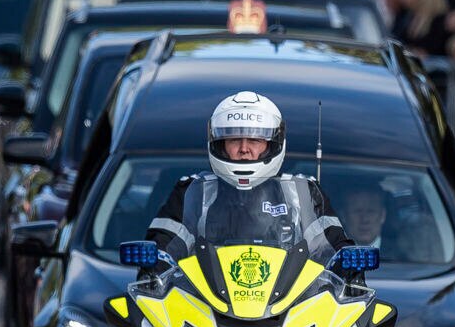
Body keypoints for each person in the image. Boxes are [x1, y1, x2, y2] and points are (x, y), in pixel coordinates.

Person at [146, 92, 348, 266]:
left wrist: (345, 264)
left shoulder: (302, 192)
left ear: (271, 144)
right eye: (234, 139)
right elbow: (163, 247)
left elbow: (334, 250)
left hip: (290, 305)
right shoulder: (194, 191)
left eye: (255, 139)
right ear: (219, 143)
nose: (244, 149)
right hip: (204, 303)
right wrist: (157, 262)